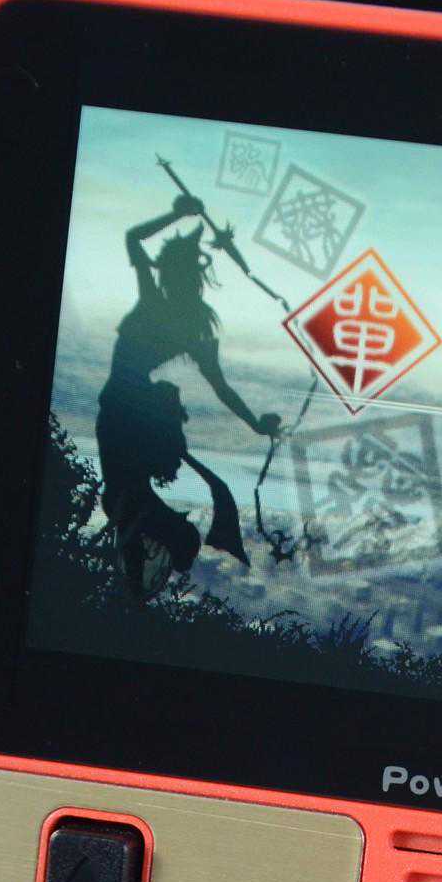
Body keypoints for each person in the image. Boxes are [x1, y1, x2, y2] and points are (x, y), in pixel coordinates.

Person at [95, 192, 280, 595]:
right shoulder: (174, 315)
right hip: (129, 411)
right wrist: (176, 214)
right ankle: (132, 573)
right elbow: (133, 239)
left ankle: (133, 573)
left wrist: (255, 424)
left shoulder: (183, 322)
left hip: (128, 410)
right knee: (131, 498)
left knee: (133, 499)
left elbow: (222, 387)